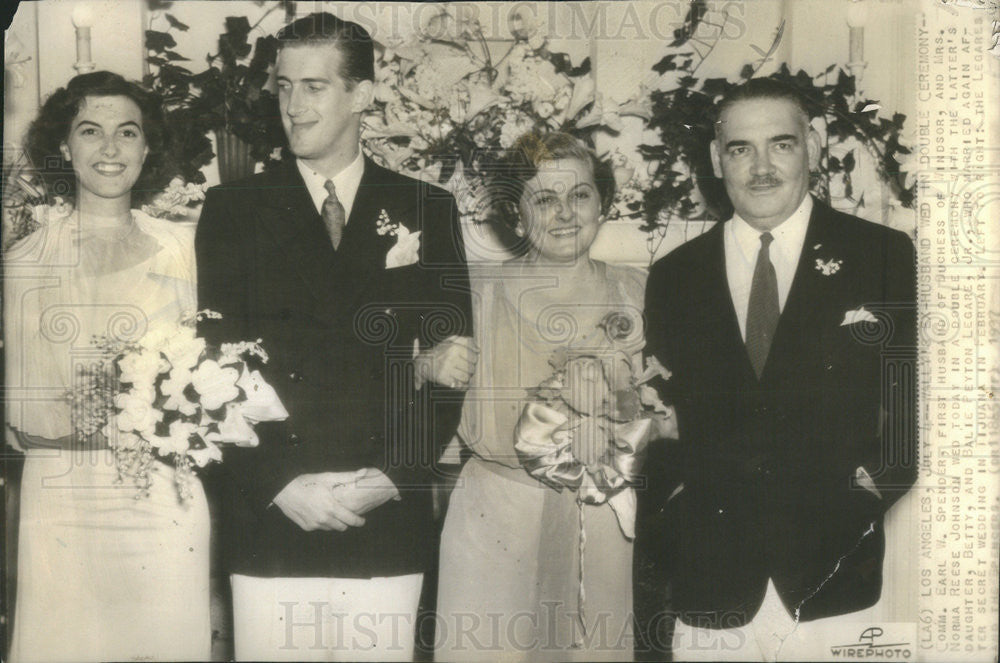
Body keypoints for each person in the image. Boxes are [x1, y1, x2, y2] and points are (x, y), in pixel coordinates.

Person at [195, 12, 473, 662]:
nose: (293, 106)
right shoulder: (233, 212)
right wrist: (278, 483)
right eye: (284, 86)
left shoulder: (426, 210)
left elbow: (449, 369)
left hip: (383, 519)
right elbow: (209, 369)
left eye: (314, 86)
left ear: (362, 94)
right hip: (272, 517)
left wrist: (387, 479)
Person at [639, 77, 918, 661]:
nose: (760, 167)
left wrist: (871, 491)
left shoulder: (883, 256)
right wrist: (677, 499)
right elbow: (658, 415)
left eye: (781, 144)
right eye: (740, 148)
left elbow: (915, 402)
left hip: (836, 574)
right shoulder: (674, 275)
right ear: (717, 159)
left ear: (813, 145)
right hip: (711, 582)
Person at [436, 131, 671, 662]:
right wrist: (421, 363)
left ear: (601, 202)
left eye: (580, 195)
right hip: (493, 521)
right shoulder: (471, 292)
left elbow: (674, 408)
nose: (565, 213)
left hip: (602, 519)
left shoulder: (642, 292)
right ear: (515, 214)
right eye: (545, 199)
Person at [3, 71, 211, 662]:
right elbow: (20, 415)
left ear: (148, 149)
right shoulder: (24, 263)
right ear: (64, 147)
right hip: (62, 498)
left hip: (163, 494)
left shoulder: (186, 249)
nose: (111, 148)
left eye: (127, 132)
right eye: (90, 131)